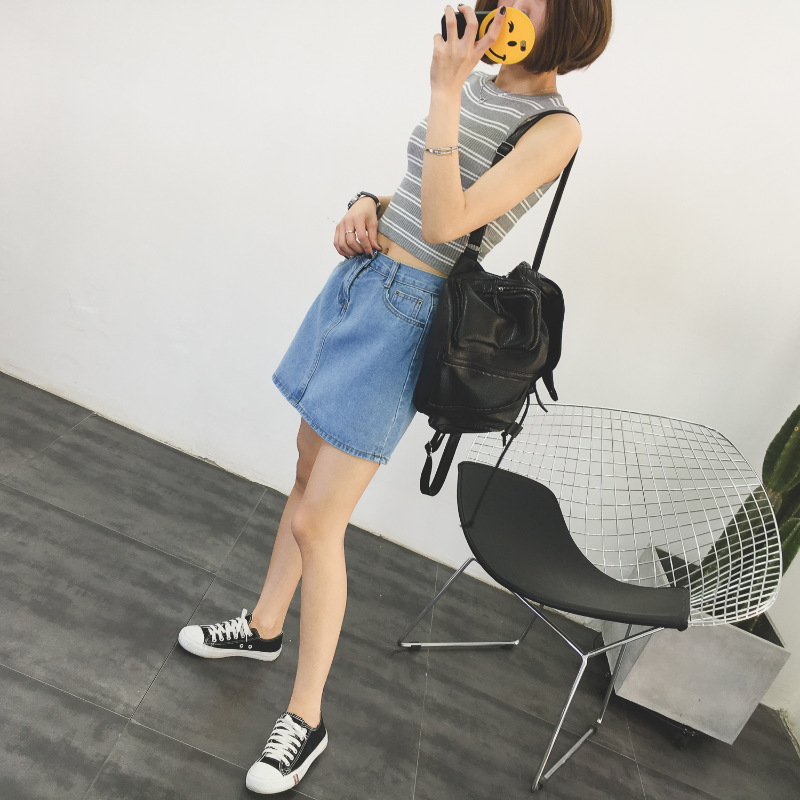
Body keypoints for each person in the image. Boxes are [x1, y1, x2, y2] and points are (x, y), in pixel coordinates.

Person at [177, 1, 612, 794]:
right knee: (303, 478)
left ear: (571, 20)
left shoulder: (555, 128)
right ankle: (265, 627)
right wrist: (368, 203)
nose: (509, 5)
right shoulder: (477, 84)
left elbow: (450, 221)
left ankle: (306, 719)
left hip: (411, 317)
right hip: (361, 282)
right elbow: (419, 193)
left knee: (320, 522)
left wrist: (442, 90)